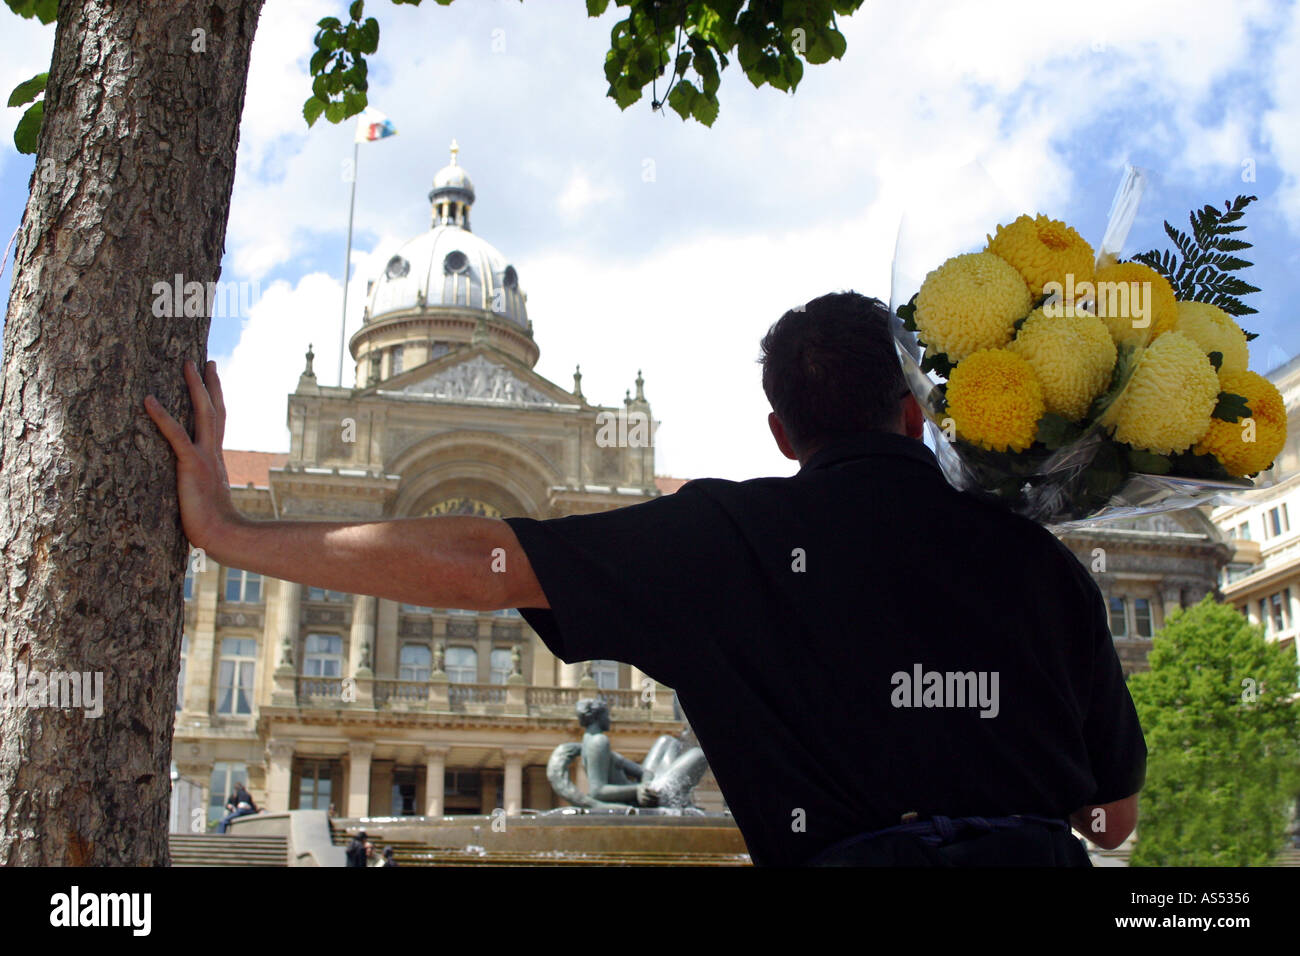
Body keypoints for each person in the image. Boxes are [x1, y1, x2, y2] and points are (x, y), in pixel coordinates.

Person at [145, 291, 1145, 867]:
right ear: (914, 413)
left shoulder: (729, 535)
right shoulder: (1043, 564)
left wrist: (230, 533)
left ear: (782, 433)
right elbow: (1112, 817)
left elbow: (479, 562)